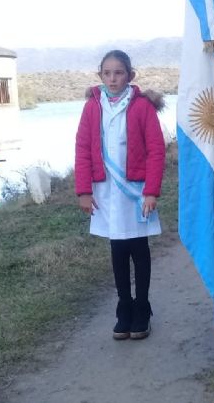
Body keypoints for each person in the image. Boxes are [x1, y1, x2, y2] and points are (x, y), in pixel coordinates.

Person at [75, 49, 166, 340]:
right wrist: (83, 191)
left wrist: (151, 191)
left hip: (135, 191)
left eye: (119, 73)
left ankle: (142, 307)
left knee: (138, 248)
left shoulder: (141, 107)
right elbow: (82, 149)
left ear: (130, 75)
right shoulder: (93, 106)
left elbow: (156, 150)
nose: (113, 79)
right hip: (105, 190)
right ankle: (123, 307)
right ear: (100, 75)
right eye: (107, 73)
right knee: (117, 249)